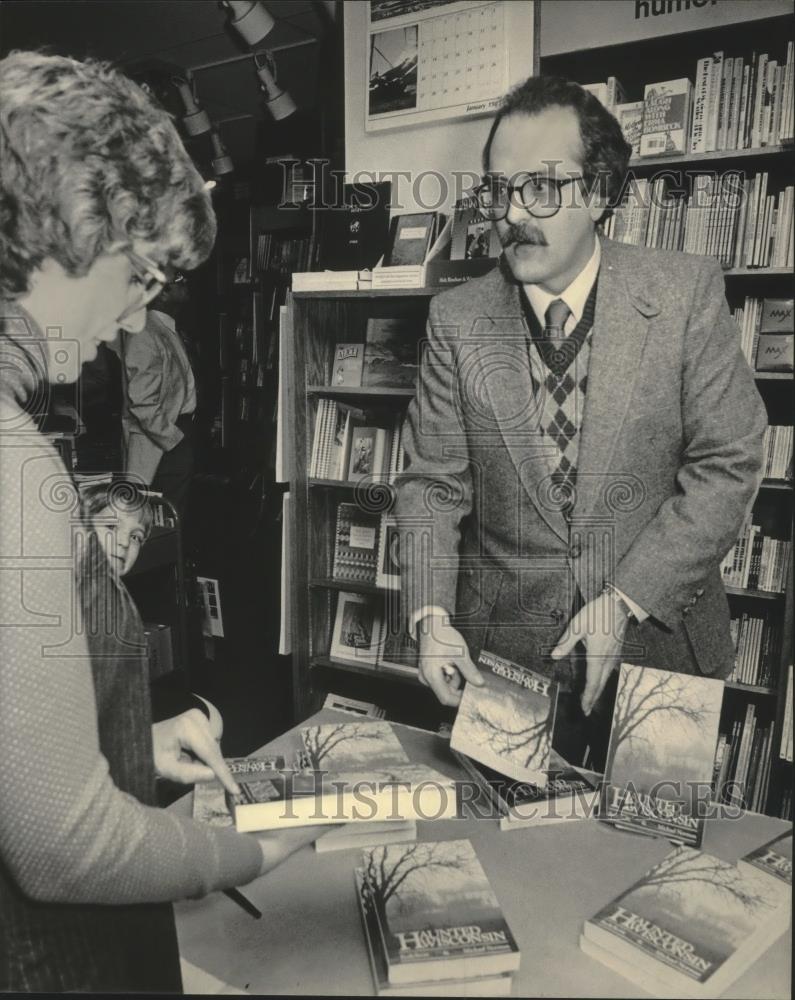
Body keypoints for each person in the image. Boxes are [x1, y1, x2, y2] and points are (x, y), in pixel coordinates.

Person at [0, 51, 327, 993]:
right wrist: (245, 851)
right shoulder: (13, 465)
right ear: (72, 228)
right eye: (142, 274)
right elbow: (64, 849)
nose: (141, 311)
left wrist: (122, 747)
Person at [394, 75, 767, 768]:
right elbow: (431, 484)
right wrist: (430, 615)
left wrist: (625, 600)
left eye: (540, 187)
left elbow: (731, 459)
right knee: (502, 854)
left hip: (662, 651)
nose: (511, 213)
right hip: (501, 658)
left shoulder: (683, 294)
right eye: (497, 189)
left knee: (648, 856)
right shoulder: (455, 320)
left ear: (598, 192)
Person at [117, 274, 197, 518]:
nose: (186, 284)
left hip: (175, 434)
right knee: (165, 518)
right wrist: (174, 439)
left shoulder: (165, 329)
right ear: (161, 293)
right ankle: (174, 556)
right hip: (162, 444)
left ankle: (179, 556)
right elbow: (142, 402)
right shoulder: (145, 334)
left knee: (175, 514)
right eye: (180, 281)